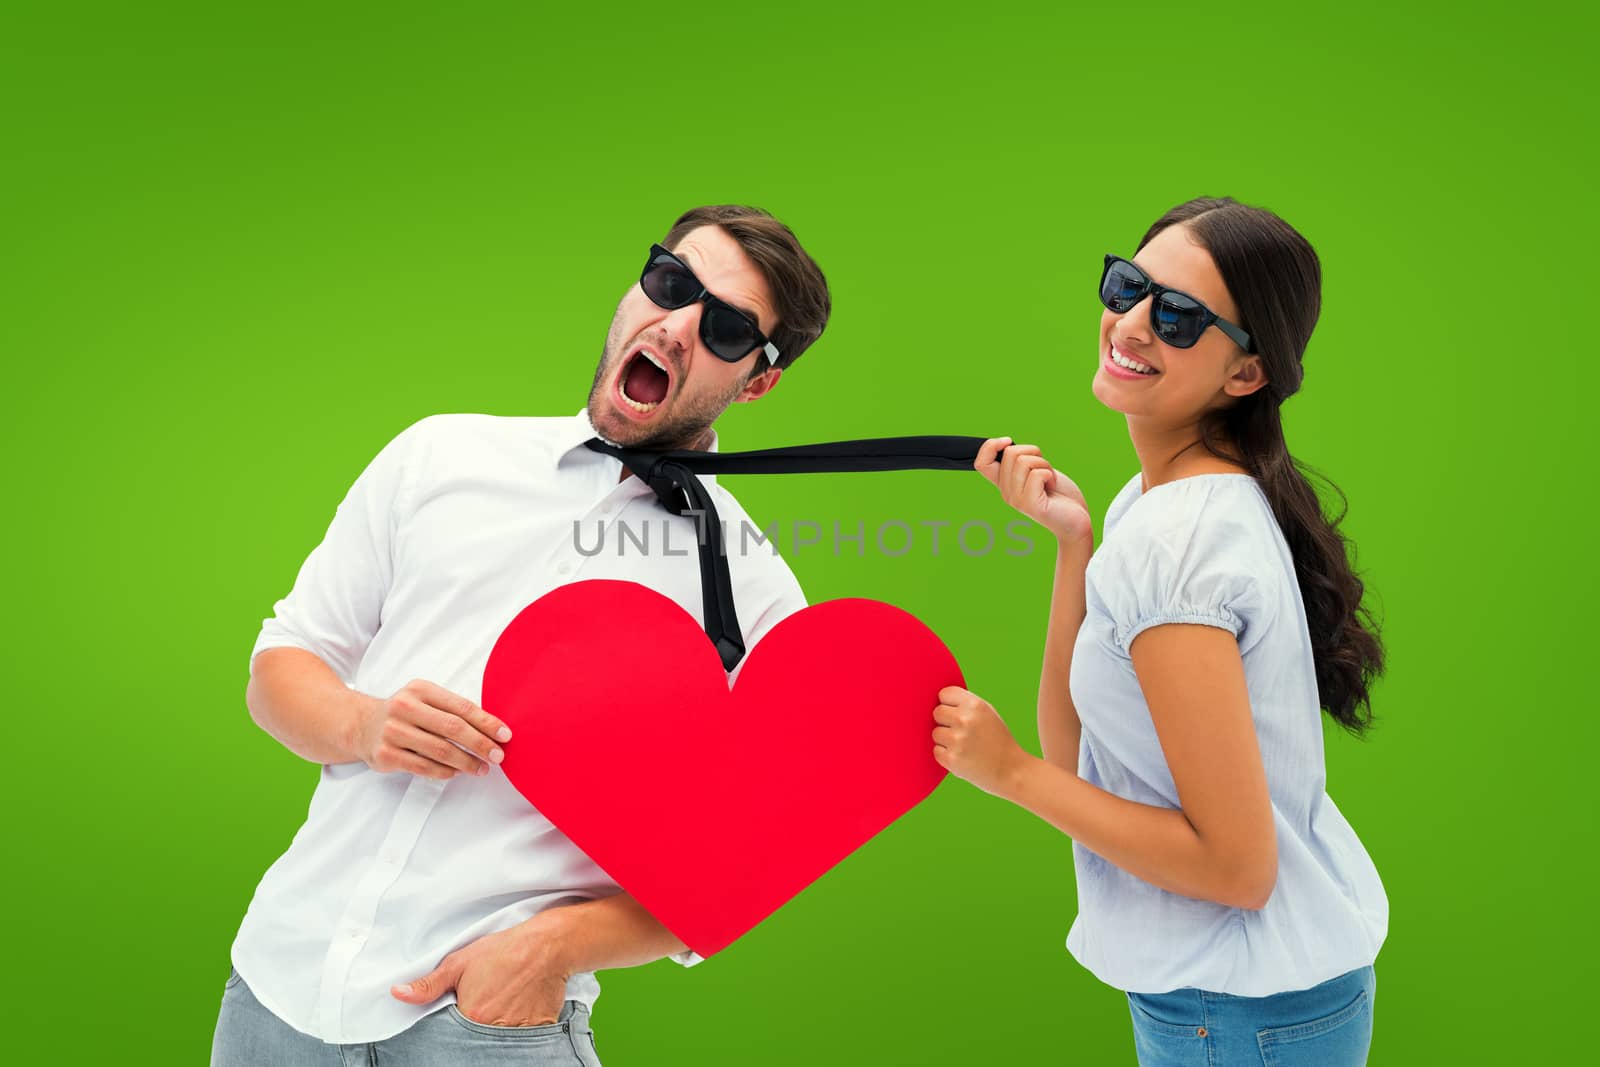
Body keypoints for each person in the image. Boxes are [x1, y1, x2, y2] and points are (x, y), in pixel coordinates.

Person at [212, 205, 830, 1066]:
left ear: (757, 380)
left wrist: (550, 950)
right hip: (275, 990)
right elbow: (281, 666)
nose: (678, 325)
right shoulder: (439, 457)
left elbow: (753, 864)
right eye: (671, 283)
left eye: (725, 328)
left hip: (485, 1031)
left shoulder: (750, 591)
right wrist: (362, 724)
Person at [932, 197, 1388, 1065]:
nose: (1132, 324)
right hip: (1241, 1000)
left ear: (1245, 373)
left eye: (1177, 317)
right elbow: (1082, 761)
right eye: (1129, 286)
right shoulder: (1156, 506)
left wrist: (1009, 774)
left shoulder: (1177, 542)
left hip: (1239, 1010)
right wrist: (1076, 546)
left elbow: (1235, 869)